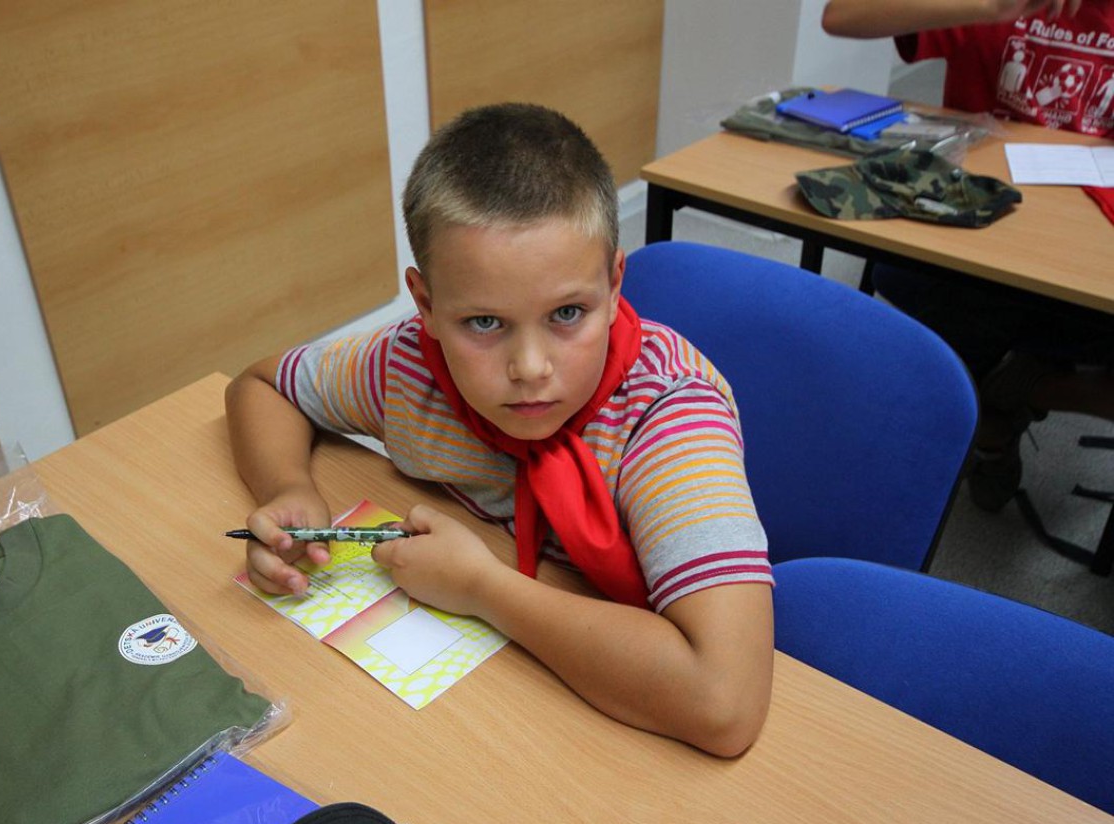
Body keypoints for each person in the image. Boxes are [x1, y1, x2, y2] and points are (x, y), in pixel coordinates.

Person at [226, 104, 774, 757]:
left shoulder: (668, 414)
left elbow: (722, 702)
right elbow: (260, 386)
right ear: (427, 306)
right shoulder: (408, 366)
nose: (530, 368)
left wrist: (482, 587)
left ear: (613, 284)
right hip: (488, 723)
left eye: (567, 313)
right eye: (484, 323)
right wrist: (288, 488)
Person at [821, 0, 1114, 510]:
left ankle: (1026, 391)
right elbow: (841, 15)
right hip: (974, 238)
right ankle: (994, 413)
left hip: (1088, 253)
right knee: (921, 288)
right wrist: (992, 5)